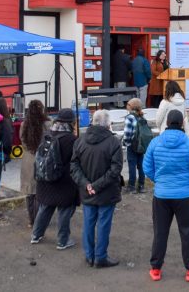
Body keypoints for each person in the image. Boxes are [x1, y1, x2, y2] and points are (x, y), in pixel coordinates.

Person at [143, 110, 189, 282]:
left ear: (167, 122)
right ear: (182, 123)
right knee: (187, 233)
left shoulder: (155, 143)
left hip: (161, 195)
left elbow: (147, 167)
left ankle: (156, 269)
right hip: (185, 195)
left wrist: (159, 181)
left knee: (160, 232)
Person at [70, 110, 123, 268]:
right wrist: (95, 186)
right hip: (105, 191)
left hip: (87, 190)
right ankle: (100, 257)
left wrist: (87, 184)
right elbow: (115, 170)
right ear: (108, 124)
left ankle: (90, 255)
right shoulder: (113, 142)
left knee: (88, 222)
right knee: (103, 224)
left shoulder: (80, 140)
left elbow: (73, 165)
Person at [32, 108, 79, 249]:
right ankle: (62, 241)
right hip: (64, 181)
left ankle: (36, 235)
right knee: (64, 209)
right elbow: (75, 160)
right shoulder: (71, 139)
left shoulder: (47, 134)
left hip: (44, 178)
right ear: (71, 122)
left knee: (45, 206)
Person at [19, 99, 51, 227]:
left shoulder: (24, 124)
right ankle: (39, 220)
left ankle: (31, 220)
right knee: (40, 192)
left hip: (28, 160)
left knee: (30, 192)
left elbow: (23, 141)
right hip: (43, 159)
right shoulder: (48, 124)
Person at [122, 98, 147, 193]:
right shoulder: (142, 117)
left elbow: (127, 133)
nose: (126, 105)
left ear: (131, 106)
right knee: (141, 166)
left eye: (127, 104)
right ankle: (141, 185)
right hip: (141, 145)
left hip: (132, 145)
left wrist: (126, 143)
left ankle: (131, 186)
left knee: (132, 165)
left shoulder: (130, 117)